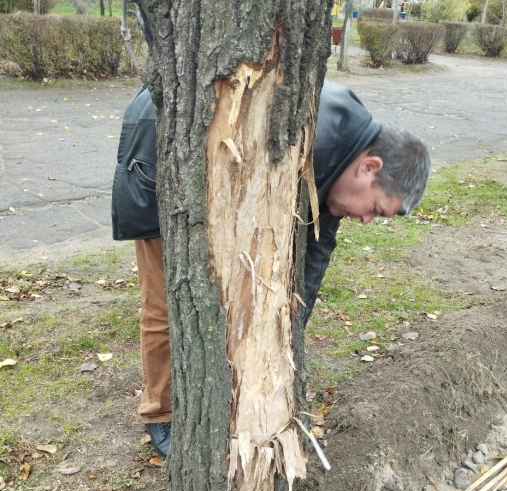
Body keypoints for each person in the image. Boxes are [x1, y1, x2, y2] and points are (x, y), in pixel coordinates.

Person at [112, 80, 431, 456]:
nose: (366, 221)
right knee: (168, 298)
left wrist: (291, 331)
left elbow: (316, 249)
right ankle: (160, 413)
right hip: (165, 151)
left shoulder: (341, 160)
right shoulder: (309, 139)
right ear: (369, 167)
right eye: (376, 209)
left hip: (223, 170)